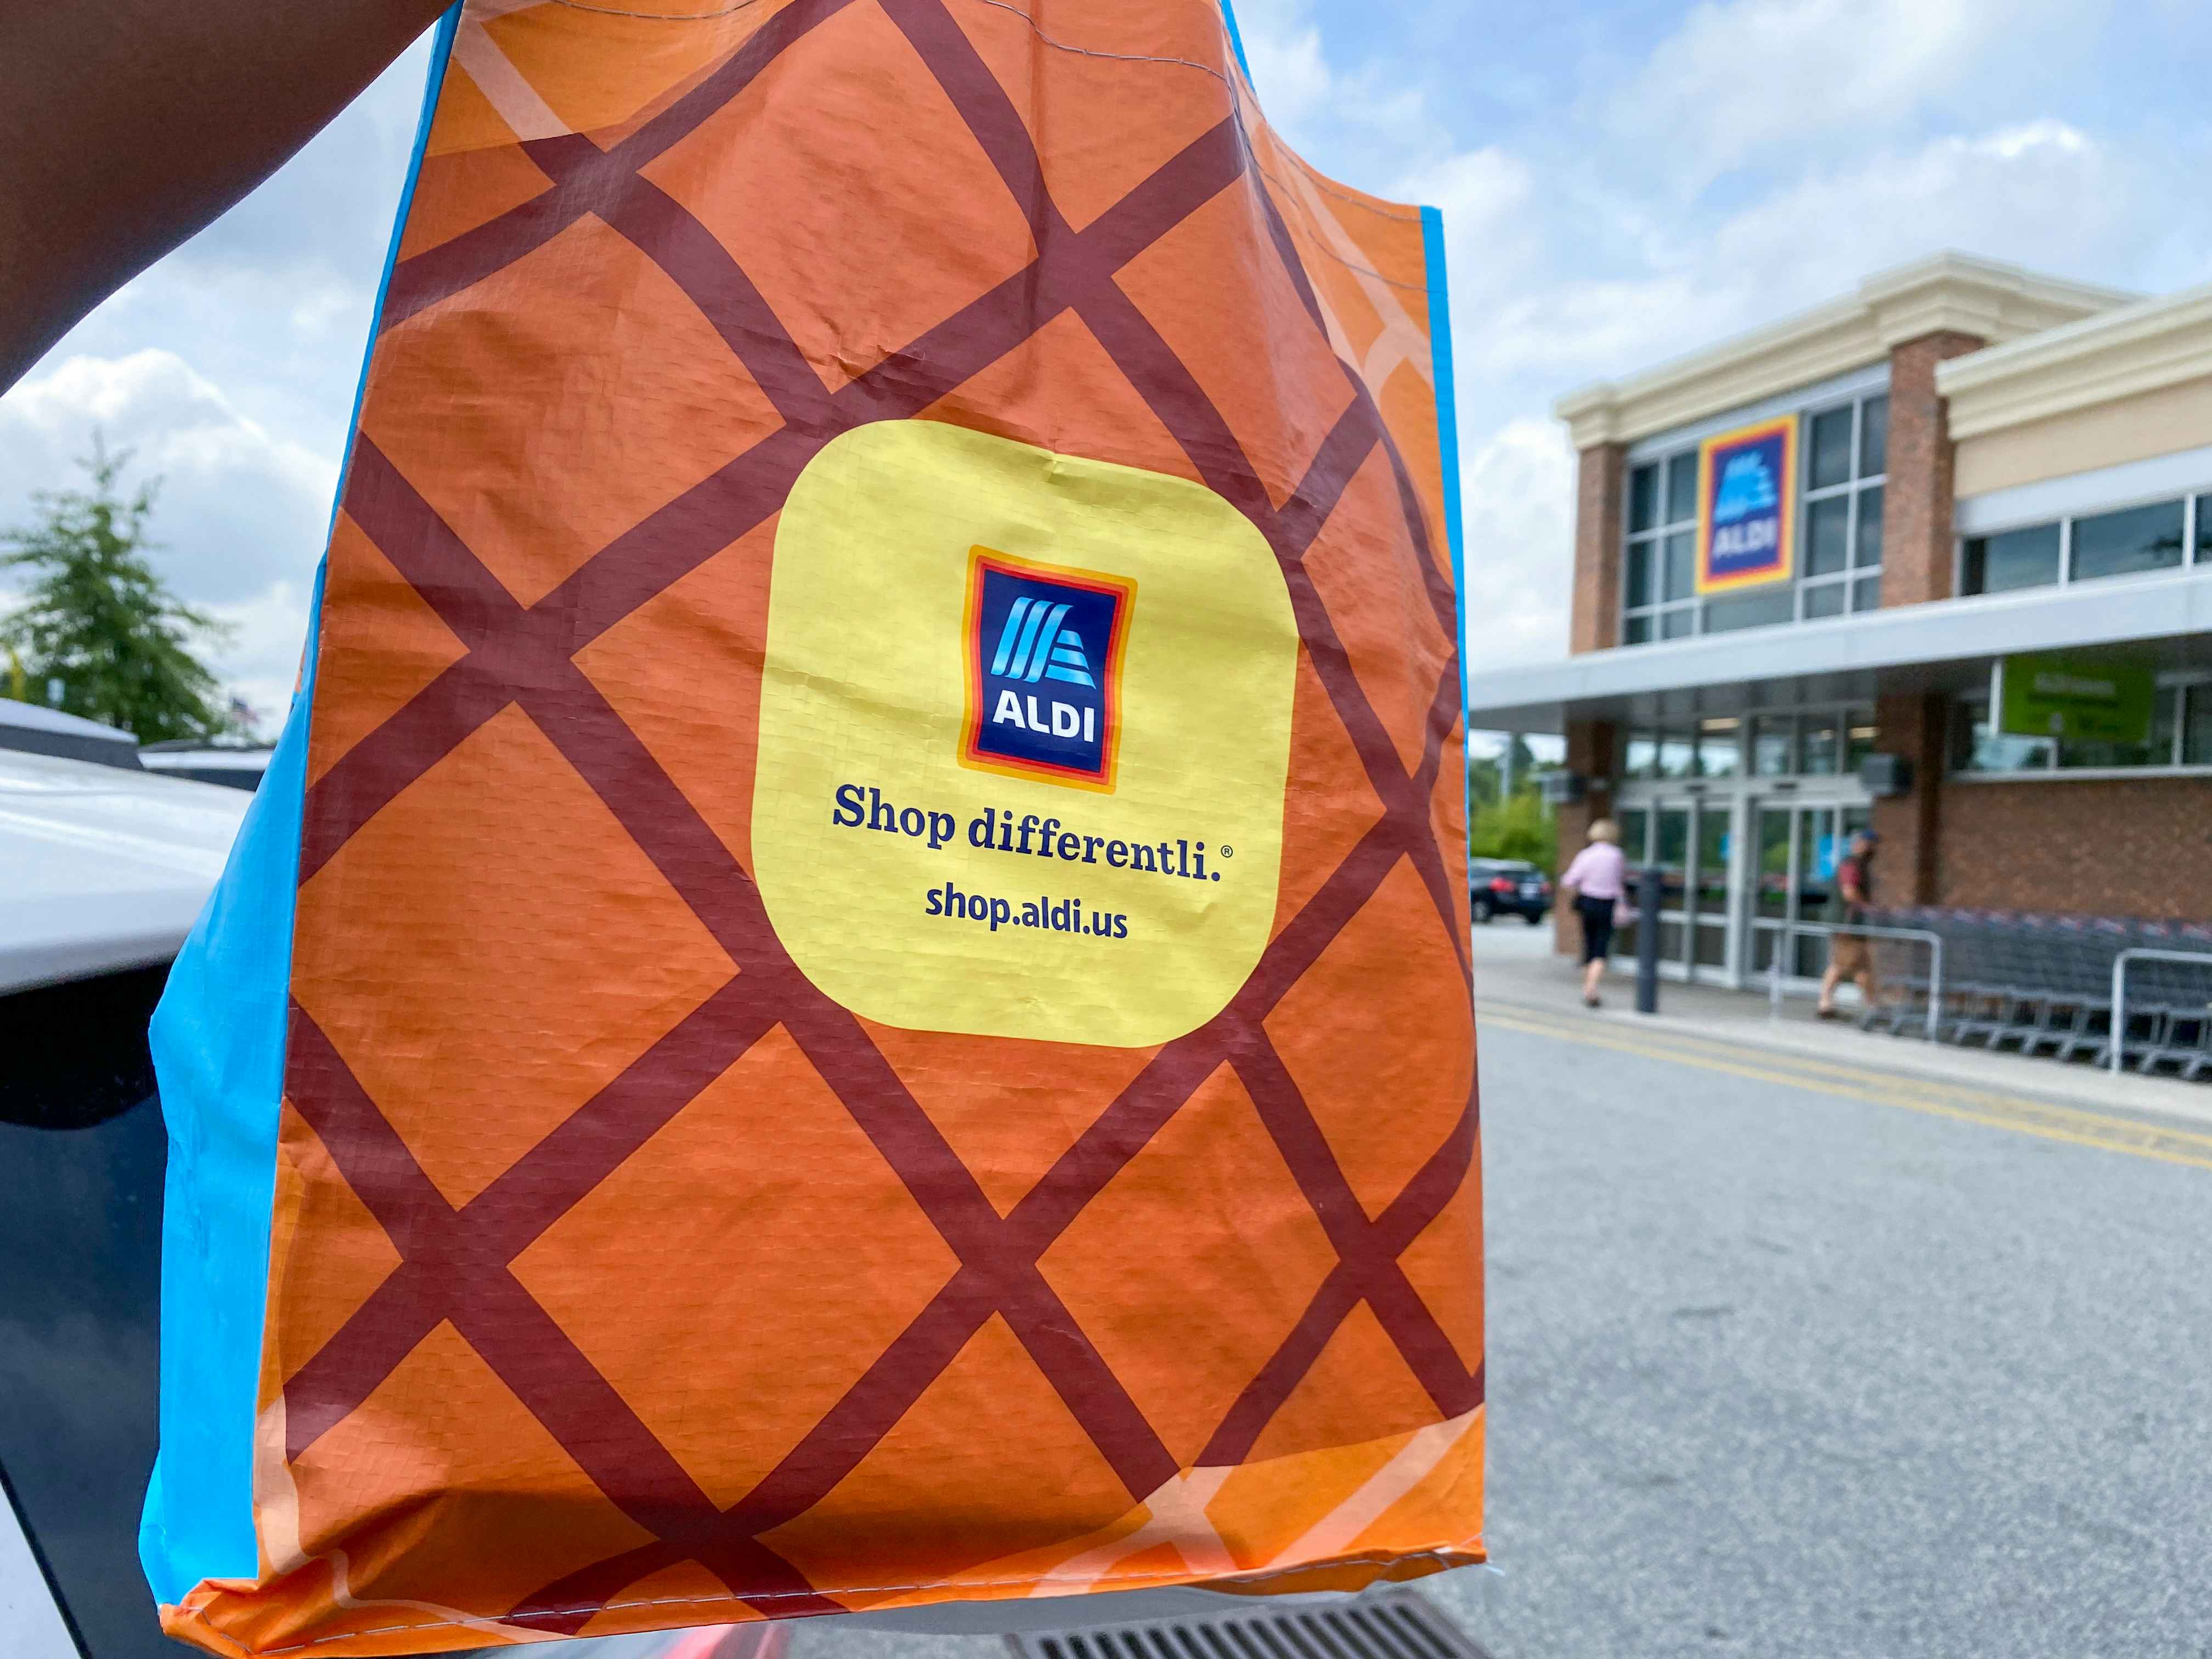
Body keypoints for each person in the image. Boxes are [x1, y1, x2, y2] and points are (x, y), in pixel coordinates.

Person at [1559, 819, 1628, 1009]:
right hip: (1607, 904)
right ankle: (1591, 988)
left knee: (1589, 943)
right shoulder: (1617, 855)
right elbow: (1620, 883)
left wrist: (1578, 892)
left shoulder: (1586, 855)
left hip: (1588, 903)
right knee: (1602, 946)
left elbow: (1569, 881)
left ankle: (1588, 987)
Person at [1818, 828, 1880, 1019]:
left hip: (1852, 924)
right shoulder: (1852, 865)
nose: (1874, 848)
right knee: (1848, 964)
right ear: (1859, 844)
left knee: (1854, 965)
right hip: (1847, 924)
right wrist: (1869, 908)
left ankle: (1871, 1005)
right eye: (1870, 843)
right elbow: (1849, 892)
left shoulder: (1859, 865)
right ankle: (1826, 1002)